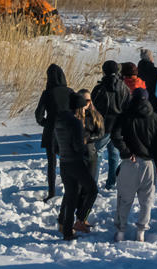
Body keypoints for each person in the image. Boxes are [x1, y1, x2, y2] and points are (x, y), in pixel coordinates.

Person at [112, 87, 157, 242]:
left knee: (124, 199)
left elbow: (115, 135)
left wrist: (126, 151)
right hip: (149, 164)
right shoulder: (156, 118)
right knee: (146, 200)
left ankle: (121, 231)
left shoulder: (125, 116)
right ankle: (141, 232)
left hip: (130, 162)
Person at [55, 91, 98, 240]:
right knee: (92, 189)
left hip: (64, 162)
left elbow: (57, 144)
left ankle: (67, 231)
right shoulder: (75, 122)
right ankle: (81, 218)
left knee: (71, 195)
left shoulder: (59, 120)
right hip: (76, 162)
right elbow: (78, 146)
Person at [35, 64, 72, 202]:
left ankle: (51, 192)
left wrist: (46, 123)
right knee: (67, 161)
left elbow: (38, 115)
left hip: (51, 131)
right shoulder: (70, 91)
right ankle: (69, 188)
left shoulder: (47, 93)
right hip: (67, 131)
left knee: (51, 163)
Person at [92, 61, 130, 191]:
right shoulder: (124, 88)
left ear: (104, 71)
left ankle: (93, 183)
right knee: (114, 154)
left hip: (103, 126)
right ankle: (111, 183)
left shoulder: (99, 88)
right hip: (118, 127)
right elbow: (127, 107)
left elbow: (93, 107)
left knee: (97, 154)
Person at [78, 88, 105, 190]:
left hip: (90, 154)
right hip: (77, 155)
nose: (86, 103)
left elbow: (101, 133)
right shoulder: (73, 115)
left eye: (88, 100)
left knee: (90, 185)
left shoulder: (95, 115)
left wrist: (89, 138)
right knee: (78, 185)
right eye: (83, 101)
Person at [137, 49, 157, 115]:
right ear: (150, 58)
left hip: (141, 100)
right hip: (155, 101)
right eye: (151, 56)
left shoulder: (137, 71)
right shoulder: (156, 71)